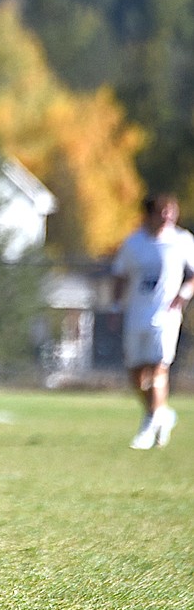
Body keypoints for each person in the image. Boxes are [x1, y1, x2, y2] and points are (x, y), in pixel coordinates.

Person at [110, 193, 194, 450]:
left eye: (171, 211)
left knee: (158, 368)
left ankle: (149, 425)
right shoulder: (134, 243)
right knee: (137, 373)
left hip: (166, 316)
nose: (167, 216)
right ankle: (161, 413)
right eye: (162, 211)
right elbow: (120, 276)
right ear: (149, 214)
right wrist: (115, 307)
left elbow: (192, 275)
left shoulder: (181, 241)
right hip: (137, 314)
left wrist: (184, 293)